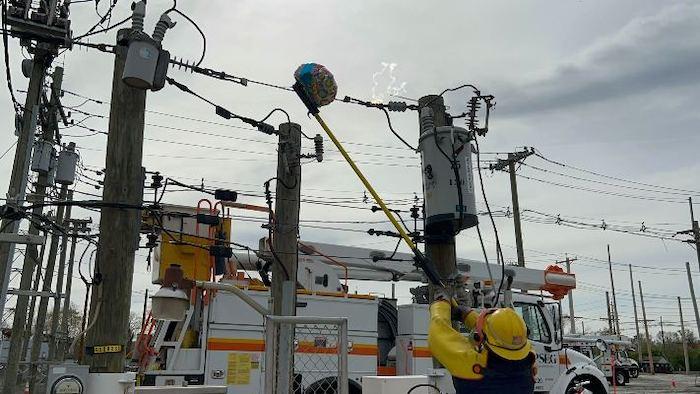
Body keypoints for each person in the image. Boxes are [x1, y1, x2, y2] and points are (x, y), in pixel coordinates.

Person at [428, 298, 537, 393]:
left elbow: (438, 331)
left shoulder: (470, 365)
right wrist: (467, 315)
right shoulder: (530, 360)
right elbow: (500, 335)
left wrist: (440, 303)